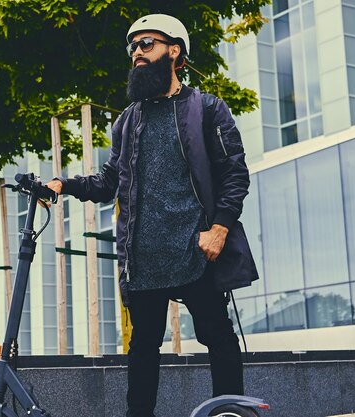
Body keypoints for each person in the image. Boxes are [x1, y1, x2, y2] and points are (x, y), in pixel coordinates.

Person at [45, 14, 259, 417]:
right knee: (143, 347)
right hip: (143, 256)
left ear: (174, 51)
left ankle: (230, 412)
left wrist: (219, 228)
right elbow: (111, 181)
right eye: (133, 48)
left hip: (195, 248)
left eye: (147, 44)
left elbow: (234, 173)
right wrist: (63, 185)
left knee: (218, 336)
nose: (137, 53)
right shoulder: (129, 120)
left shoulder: (207, 108)